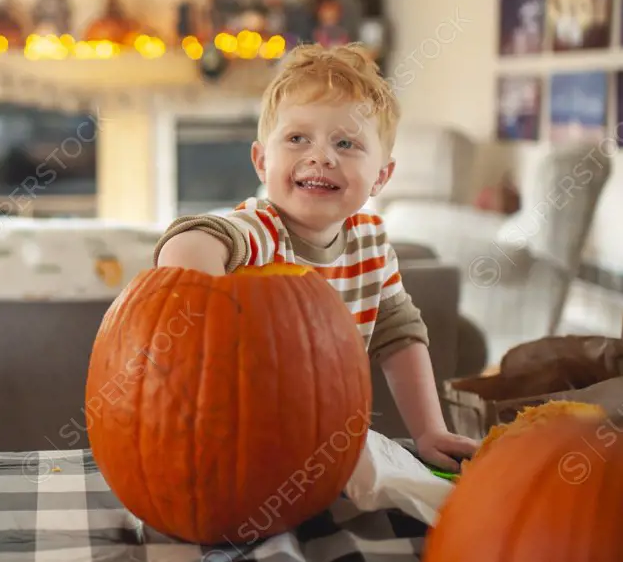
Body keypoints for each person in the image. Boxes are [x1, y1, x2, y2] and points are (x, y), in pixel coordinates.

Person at [153, 43, 479, 472]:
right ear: (261, 161)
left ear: (381, 176)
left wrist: (430, 432)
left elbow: (399, 335)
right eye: (297, 138)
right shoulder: (261, 232)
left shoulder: (372, 244)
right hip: (235, 447)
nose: (321, 156)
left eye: (346, 143)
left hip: (323, 450)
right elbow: (187, 243)